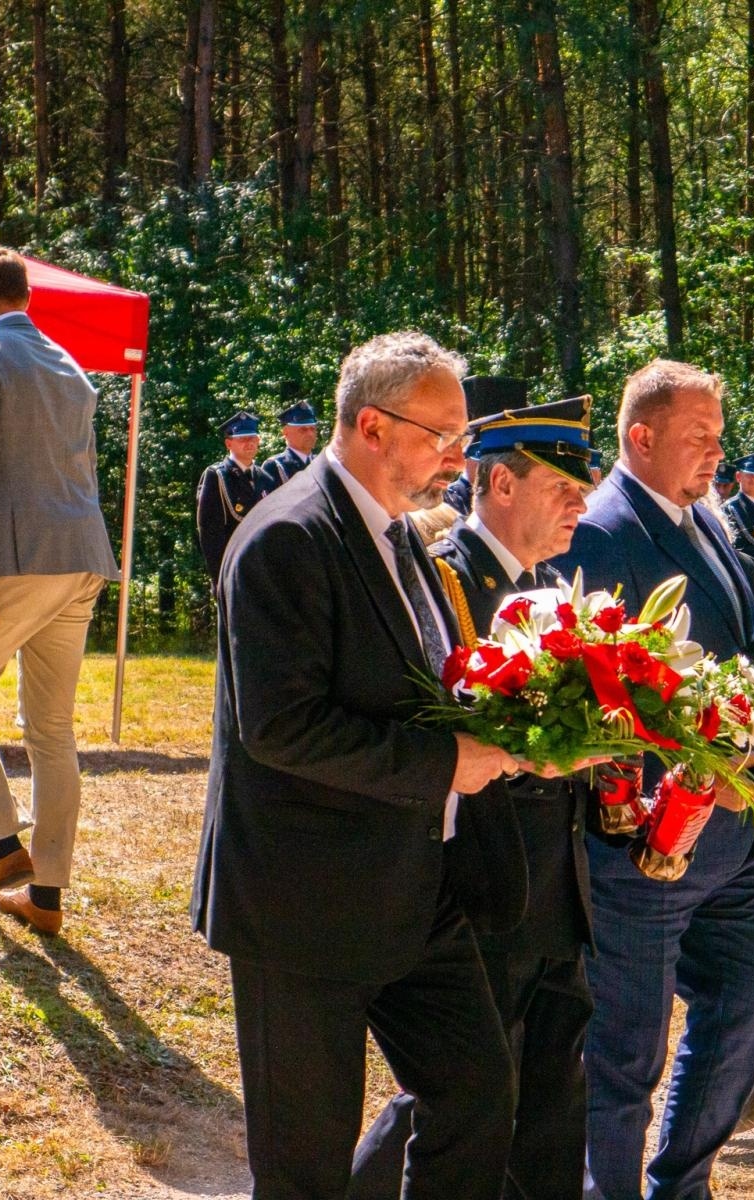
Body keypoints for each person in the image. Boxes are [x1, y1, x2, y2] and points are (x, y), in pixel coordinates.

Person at [192, 331, 521, 1199]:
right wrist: (449, 760)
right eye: (441, 433)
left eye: (462, 435)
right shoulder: (285, 537)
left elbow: (417, 684)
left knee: (479, 1090)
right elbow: (282, 729)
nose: (458, 454)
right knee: (305, 1168)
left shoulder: (401, 535)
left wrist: (526, 737)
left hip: (413, 885)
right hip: (302, 899)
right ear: (372, 426)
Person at [552, 358, 754, 1200]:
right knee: (625, 1053)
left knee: (748, 996)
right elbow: (595, 688)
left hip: (731, 835)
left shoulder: (707, 520)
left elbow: (732, 661)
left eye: (719, 436)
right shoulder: (601, 529)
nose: (715, 452)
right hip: (647, 841)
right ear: (641, 436)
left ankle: (682, 1183)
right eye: (699, 436)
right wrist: (685, 784)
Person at [351, 396, 596, 1200]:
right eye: (561, 485)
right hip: (480, 879)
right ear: (497, 484)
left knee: (554, 1099)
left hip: (557, 884)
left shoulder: (556, 585)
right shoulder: (444, 579)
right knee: (461, 1094)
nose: (581, 503)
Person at [0, 246, 120, 935]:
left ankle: (3, 848)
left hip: (13, 559)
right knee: (51, 731)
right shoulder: (69, 364)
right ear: (26, 297)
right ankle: (46, 898)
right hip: (83, 556)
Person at [196, 411, 276, 584]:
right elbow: (210, 534)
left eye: (252, 438)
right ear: (229, 443)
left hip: (265, 572)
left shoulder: (266, 479)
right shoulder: (217, 476)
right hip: (233, 570)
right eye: (242, 439)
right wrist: (219, 579)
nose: (249, 443)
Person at [261, 400, 321, 487]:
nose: (310, 434)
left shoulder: (320, 462)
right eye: (303, 429)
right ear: (286, 432)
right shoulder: (275, 466)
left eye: (312, 429)